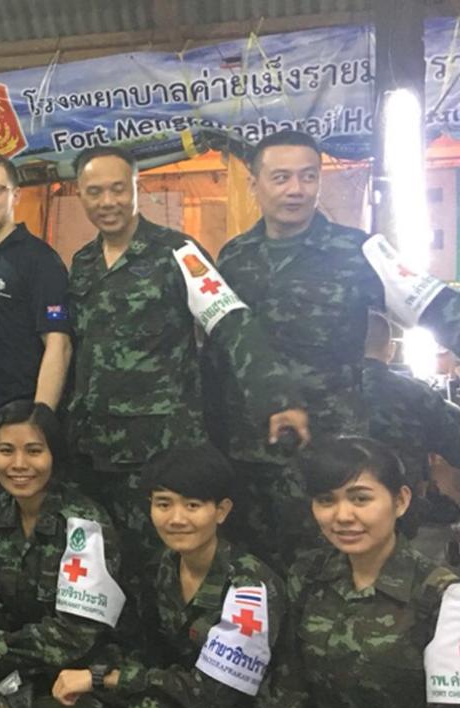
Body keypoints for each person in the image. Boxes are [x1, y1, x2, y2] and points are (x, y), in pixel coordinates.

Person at [206, 129, 460, 566]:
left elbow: (433, 305)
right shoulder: (233, 257)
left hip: (330, 451)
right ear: (255, 184)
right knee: (256, 571)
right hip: (249, 451)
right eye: (281, 177)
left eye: (308, 177)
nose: (296, 190)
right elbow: (219, 349)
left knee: (330, 571)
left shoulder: (357, 250)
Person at [65, 145, 306, 577]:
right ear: (80, 194)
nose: (108, 203)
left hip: (162, 448)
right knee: (110, 564)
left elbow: (231, 321)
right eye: (95, 192)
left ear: (137, 188)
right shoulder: (82, 264)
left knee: (169, 565)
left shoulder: (177, 252)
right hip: (98, 449)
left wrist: (276, 395)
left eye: (118, 189)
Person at [54, 445, 283, 708]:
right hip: (178, 696)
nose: (176, 519)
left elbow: (215, 694)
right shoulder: (162, 565)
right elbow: (140, 646)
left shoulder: (249, 587)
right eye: (163, 504)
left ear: (221, 511)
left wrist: (108, 678)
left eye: (192, 506)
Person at [0, 400, 123, 708]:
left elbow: (77, 632)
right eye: (6, 450)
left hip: (75, 676)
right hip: (8, 669)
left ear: (54, 456)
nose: (19, 464)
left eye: (34, 451)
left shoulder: (84, 523)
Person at [261, 436, 460, 708]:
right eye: (326, 500)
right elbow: (288, 685)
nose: (342, 515)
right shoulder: (308, 575)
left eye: (360, 498)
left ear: (401, 501)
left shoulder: (444, 599)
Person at [0, 152, 71, 495]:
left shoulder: (39, 260)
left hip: (17, 432)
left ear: (15, 196)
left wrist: (39, 424)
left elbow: (58, 346)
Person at [363, 311, 460, 492]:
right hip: (402, 505)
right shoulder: (418, 393)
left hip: (324, 508)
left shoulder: (318, 388)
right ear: (390, 349)